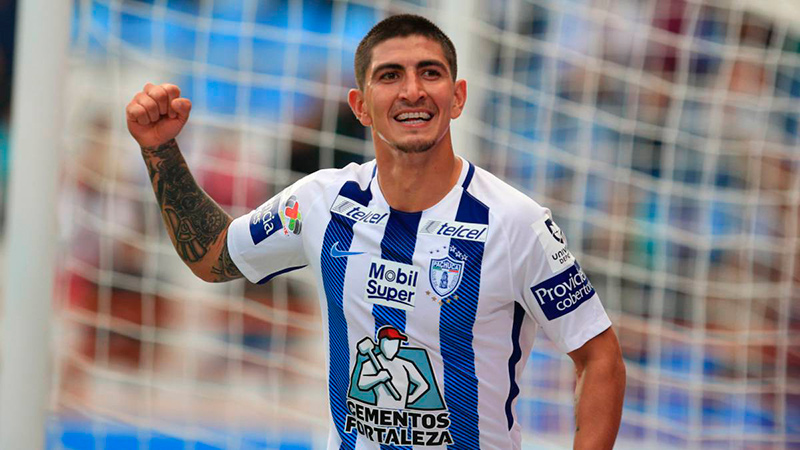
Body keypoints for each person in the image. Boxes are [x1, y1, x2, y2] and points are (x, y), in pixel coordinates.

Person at [126, 14, 626, 450]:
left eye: (430, 73)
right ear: (360, 105)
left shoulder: (516, 222)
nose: (412, 91)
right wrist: (159, 149)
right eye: (390, 75)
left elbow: (599, 356)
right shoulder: (321, 202)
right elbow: (214, 255)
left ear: (457, 97)